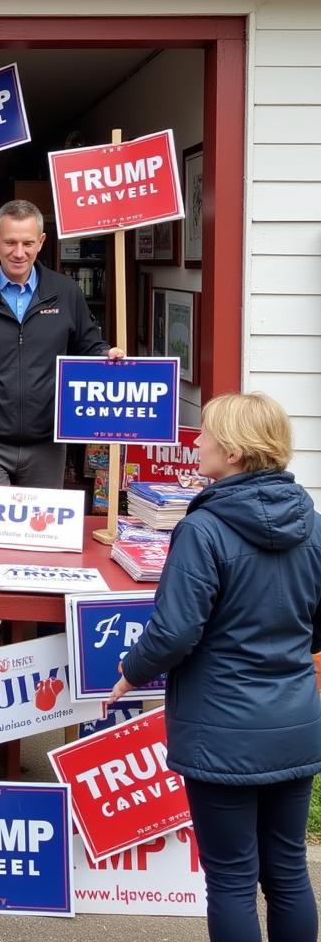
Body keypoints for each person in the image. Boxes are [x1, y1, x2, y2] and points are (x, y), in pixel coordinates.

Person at [110, 392, 321, 942]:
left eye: (206, 434)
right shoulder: (314, 525)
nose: (196, 442)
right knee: (289, 871)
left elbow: (175, 631)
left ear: (235, 450)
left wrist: (129, 672)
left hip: (221, 730)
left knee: (229, 879)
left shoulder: (202, 530)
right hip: (294, 724)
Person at [0, 198, 124, 487]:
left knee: (43, 533)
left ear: (41, 242)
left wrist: (105, 355)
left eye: (27, 243)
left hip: (47, 444)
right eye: (10, 242)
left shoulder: (65, 292)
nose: (18, 253)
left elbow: (87, 345)